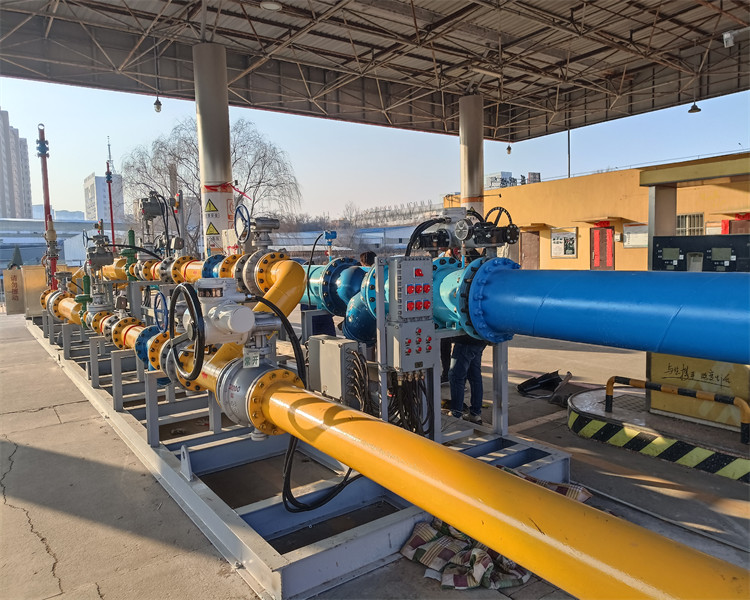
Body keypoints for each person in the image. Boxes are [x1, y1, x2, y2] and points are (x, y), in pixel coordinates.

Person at [448, 334, 488, 424]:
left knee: (456, 377)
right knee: (474, 376)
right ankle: (475, 413)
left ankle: (456, 413)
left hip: (466, 340)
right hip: (480, 338)